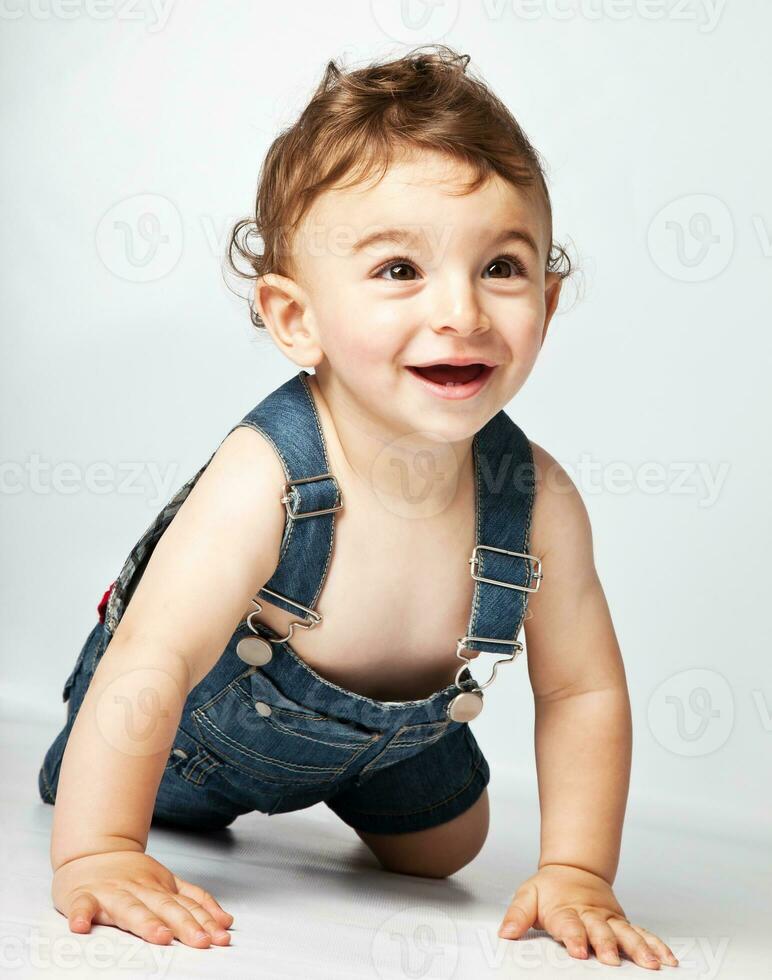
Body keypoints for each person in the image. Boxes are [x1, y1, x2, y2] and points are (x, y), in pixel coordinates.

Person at [38, 44, 677, 970]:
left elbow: (581, 690)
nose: (460, 311)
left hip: (391, 743)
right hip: (190, 735)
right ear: (297, 319)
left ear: (549, 294)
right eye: (398, 272)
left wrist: (578, 869)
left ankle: (348, 783)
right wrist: (100, 849)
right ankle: (101, 808)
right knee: (99, 785)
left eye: (501, 267)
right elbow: (154, 659)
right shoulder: (269, 473)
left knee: (445, 853)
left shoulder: (536, 499)